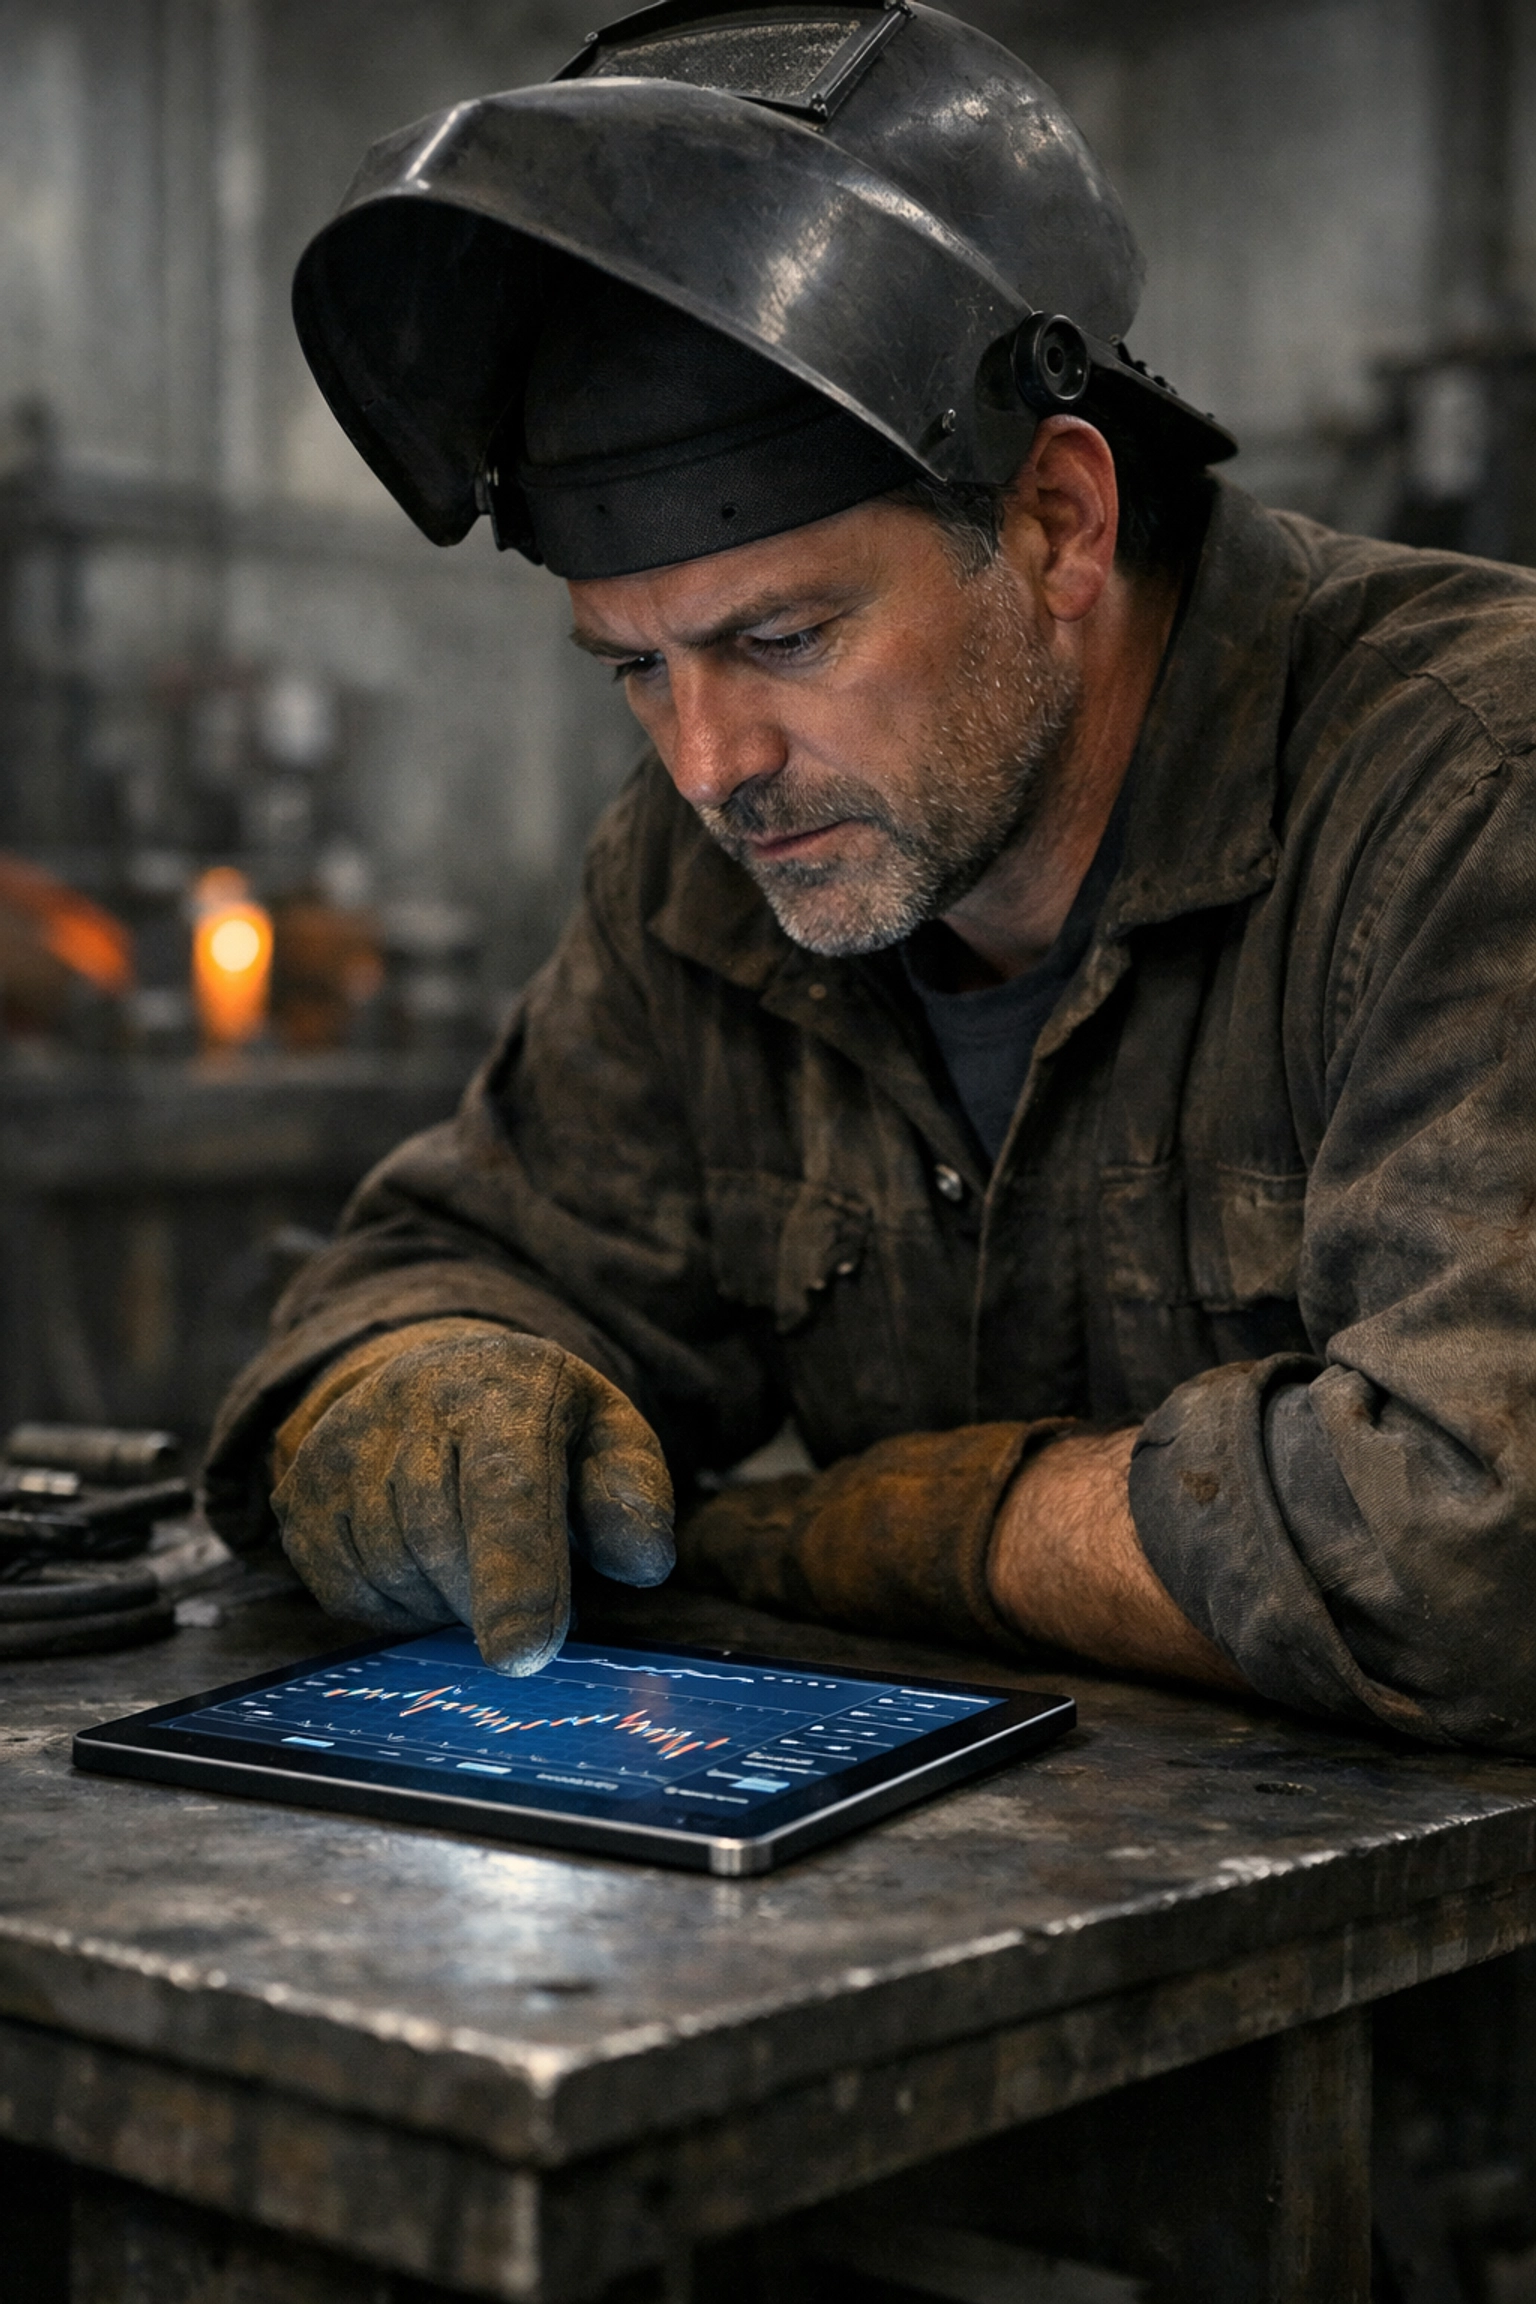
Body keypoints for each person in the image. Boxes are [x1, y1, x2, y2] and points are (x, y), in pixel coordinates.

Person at [207, 2, 1536, 1751]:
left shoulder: (1465, 785)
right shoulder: (708, 871)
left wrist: (868, 1530)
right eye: (634, 663)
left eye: (784, 635)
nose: (708, 766)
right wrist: (424, 1385)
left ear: (1058, 521)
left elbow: (1468, 1553)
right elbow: (465, 1257)